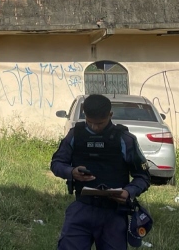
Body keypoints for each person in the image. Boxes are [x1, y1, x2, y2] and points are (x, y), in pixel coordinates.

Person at [51, 94, 150, 250]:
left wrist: (128, 192)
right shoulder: (75, 135)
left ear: (110, 115)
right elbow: (57, 163)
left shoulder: (125, 139)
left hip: (113, 213)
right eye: (90, 122)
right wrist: (71, 171)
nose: (94, 127)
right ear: (84, 113)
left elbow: (143, 176)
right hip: (82, 208)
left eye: (100, 123)